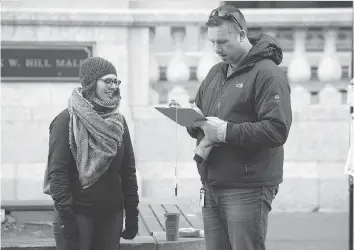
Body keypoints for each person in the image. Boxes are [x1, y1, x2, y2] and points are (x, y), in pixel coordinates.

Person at [187, 5, 292, 250]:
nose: (217, 50)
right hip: (212, 183)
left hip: (247, 187)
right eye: (212, 42)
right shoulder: (216, 72)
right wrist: (191, 121)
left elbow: (277, 130)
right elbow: (201, 118)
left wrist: (225, 132)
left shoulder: (268, 73)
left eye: (223, 42)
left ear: (242, 35)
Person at [45, 57, 139, 250]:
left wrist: (131, 213)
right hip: (78, 215)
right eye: (107, 81)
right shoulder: (65, 121)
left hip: (111, 215)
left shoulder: (118, 122)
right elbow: (58, 173)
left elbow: (128, 170)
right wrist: (67, 219)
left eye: (116, 81)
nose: (113, 86)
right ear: (91, 83)